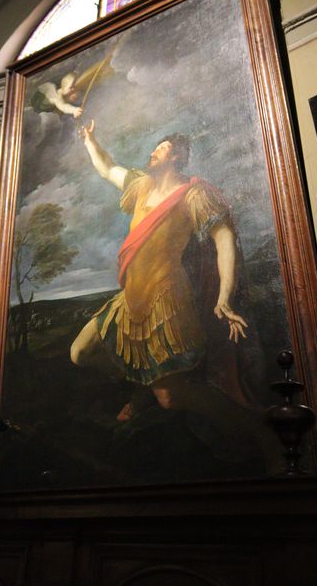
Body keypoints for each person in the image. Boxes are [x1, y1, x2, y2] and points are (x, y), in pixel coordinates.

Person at [71, 121, 253, 423]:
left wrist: (224, 297)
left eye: (162, 148)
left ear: (177, 156)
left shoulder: (193, 195)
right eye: (155, 148)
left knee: (170, 399)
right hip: (130, 300)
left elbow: (224, 239)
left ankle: (246, 425)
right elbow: (108, 169)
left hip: (165, 302)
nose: (153, 152)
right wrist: (90, 140)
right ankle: (144, 388)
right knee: (80, 352)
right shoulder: (141, 185)